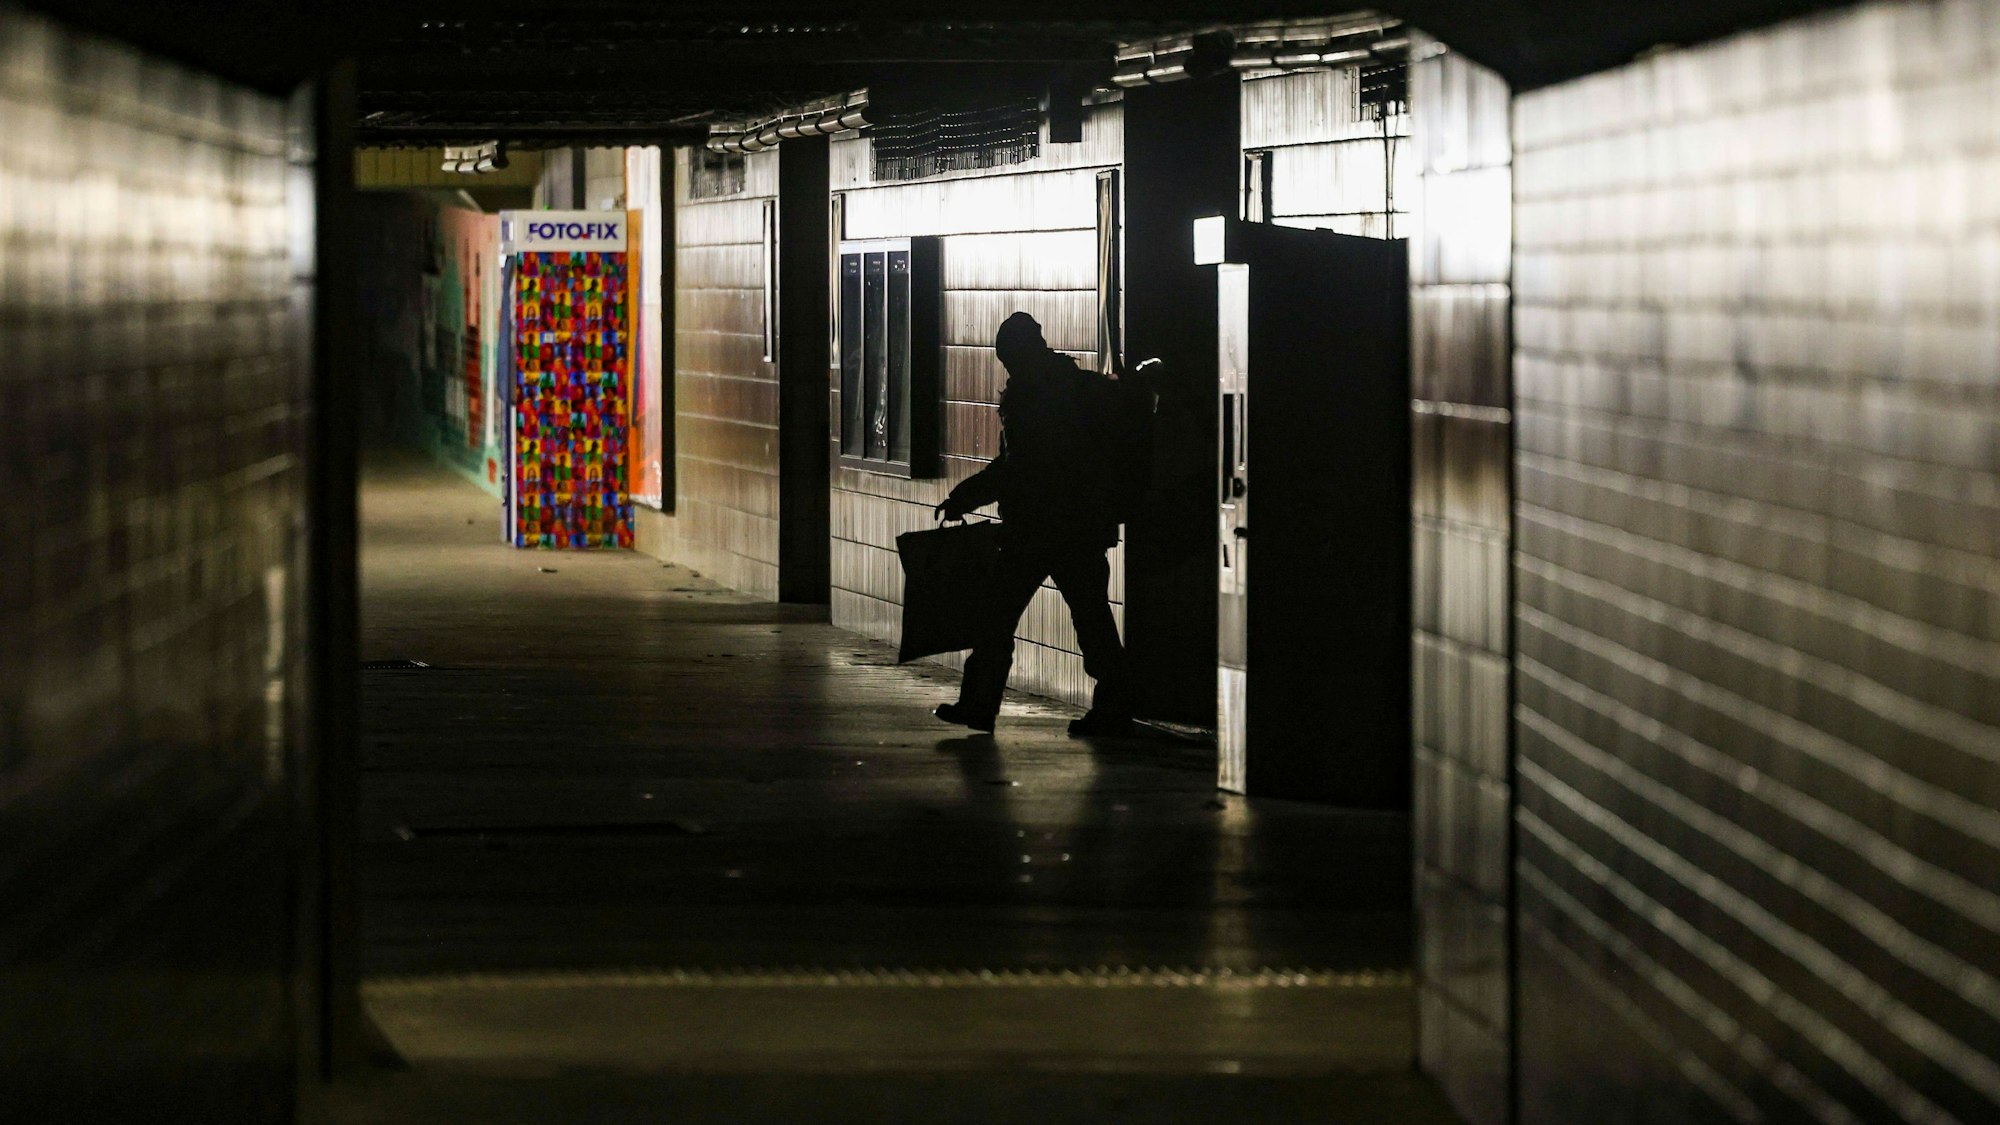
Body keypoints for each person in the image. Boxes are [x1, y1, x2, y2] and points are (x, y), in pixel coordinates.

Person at [931, 311, 1134, 737]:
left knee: (997, 617)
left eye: (1006, 357)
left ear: (1016, 354)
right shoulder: (1074, 384)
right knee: (1091, 617)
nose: (1005, 366)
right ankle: (1114, 707)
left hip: (1036, 528)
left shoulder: (1030, 395)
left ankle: (979, 704)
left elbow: (1018, 467)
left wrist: (964, 497)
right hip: (1080, 526)